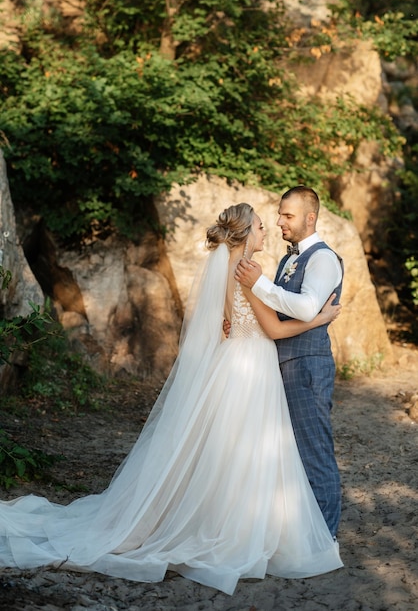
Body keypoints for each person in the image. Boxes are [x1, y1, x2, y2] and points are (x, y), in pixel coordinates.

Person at [0, 203, 343, 596]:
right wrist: (318, 319)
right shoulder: (247, 274)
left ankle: (221, 517)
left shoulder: (227, 270)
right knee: (244, 450)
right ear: (246, 233)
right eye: (262, 227)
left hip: (235, 366)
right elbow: (274, 330)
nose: (267, 233)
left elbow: (227, 324)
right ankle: (234, 528)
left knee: (227, 450)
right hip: (252, 367)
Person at [234, 186, 344, 539]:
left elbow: (306, 308)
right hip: (280, 365)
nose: (280, 221)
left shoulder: (323, 259)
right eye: (279, 214)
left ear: (310, 218)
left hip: (307, 367)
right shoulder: (288, 258)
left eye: (288, 216)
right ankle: (300, 530)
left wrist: (260, 284)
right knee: (290, 456)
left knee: (314, 453)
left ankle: (324, 537)